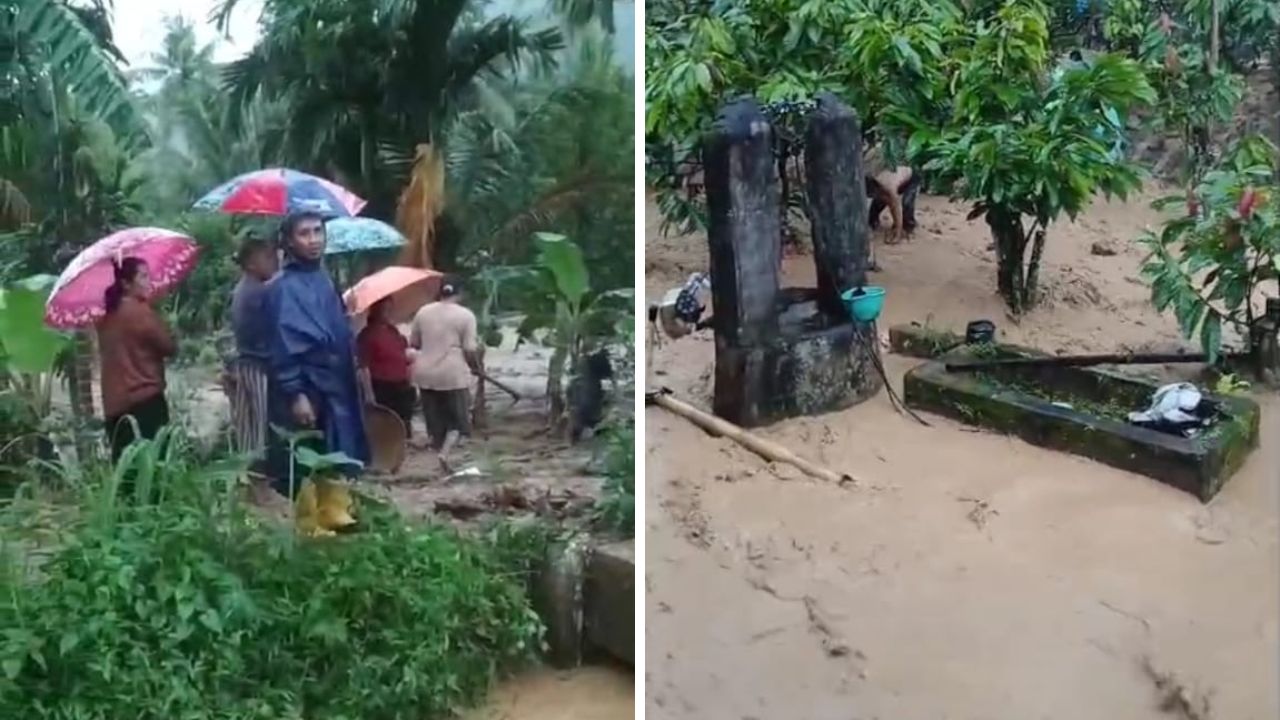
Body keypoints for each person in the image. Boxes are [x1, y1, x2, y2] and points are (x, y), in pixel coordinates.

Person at [263, 211, 370, 497]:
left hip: (338, 384)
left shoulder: (322, 278)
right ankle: (313, 525)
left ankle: (339, 514)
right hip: (309, 387)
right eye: (304, 233)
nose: (313, 240)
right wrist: (296, 393)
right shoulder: (282, 287)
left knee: (341, 454)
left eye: (318, 231)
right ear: (288, 241)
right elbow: (282, 344)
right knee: (309, 460)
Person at [96, 257, 177, 464]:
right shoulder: (139, 312)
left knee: (127, 475)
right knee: (155, 468)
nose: (148, 281)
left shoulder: (104, 317)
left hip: (114, 406)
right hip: (145, 402)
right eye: (143, 276)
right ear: (125, 284)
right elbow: (168, 347)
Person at [408, 278, 480, 471]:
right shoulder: (466, 316)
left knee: (435, 422)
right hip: (452, 375)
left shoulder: (423, 312)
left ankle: (439, 455)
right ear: (460, 293)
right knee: (458, 421)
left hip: (425, 374)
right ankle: (445, 454)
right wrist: (475, 367)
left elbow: (414, 342)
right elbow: (470, 349)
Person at [224, 236, 279, 460]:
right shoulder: (258, 292)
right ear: (251, 264)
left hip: (244, 365)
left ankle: (247, 478)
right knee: (261, 425)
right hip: (259, 366)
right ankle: (260, 480)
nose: (273, 261)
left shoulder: (241, 290)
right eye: (267, 257)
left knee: (247, 427)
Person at [356, 297, 416, 437]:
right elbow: (363, 366)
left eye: (390, 308)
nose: (388, 312)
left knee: (403, 422)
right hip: (381, 385)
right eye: (385, 309)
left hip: (401, 384)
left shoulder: (394, 332)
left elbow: (404, 355)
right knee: (386, 425)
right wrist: (369, 393)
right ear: (376, 310)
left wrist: (410, 379)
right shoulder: (367, 335)